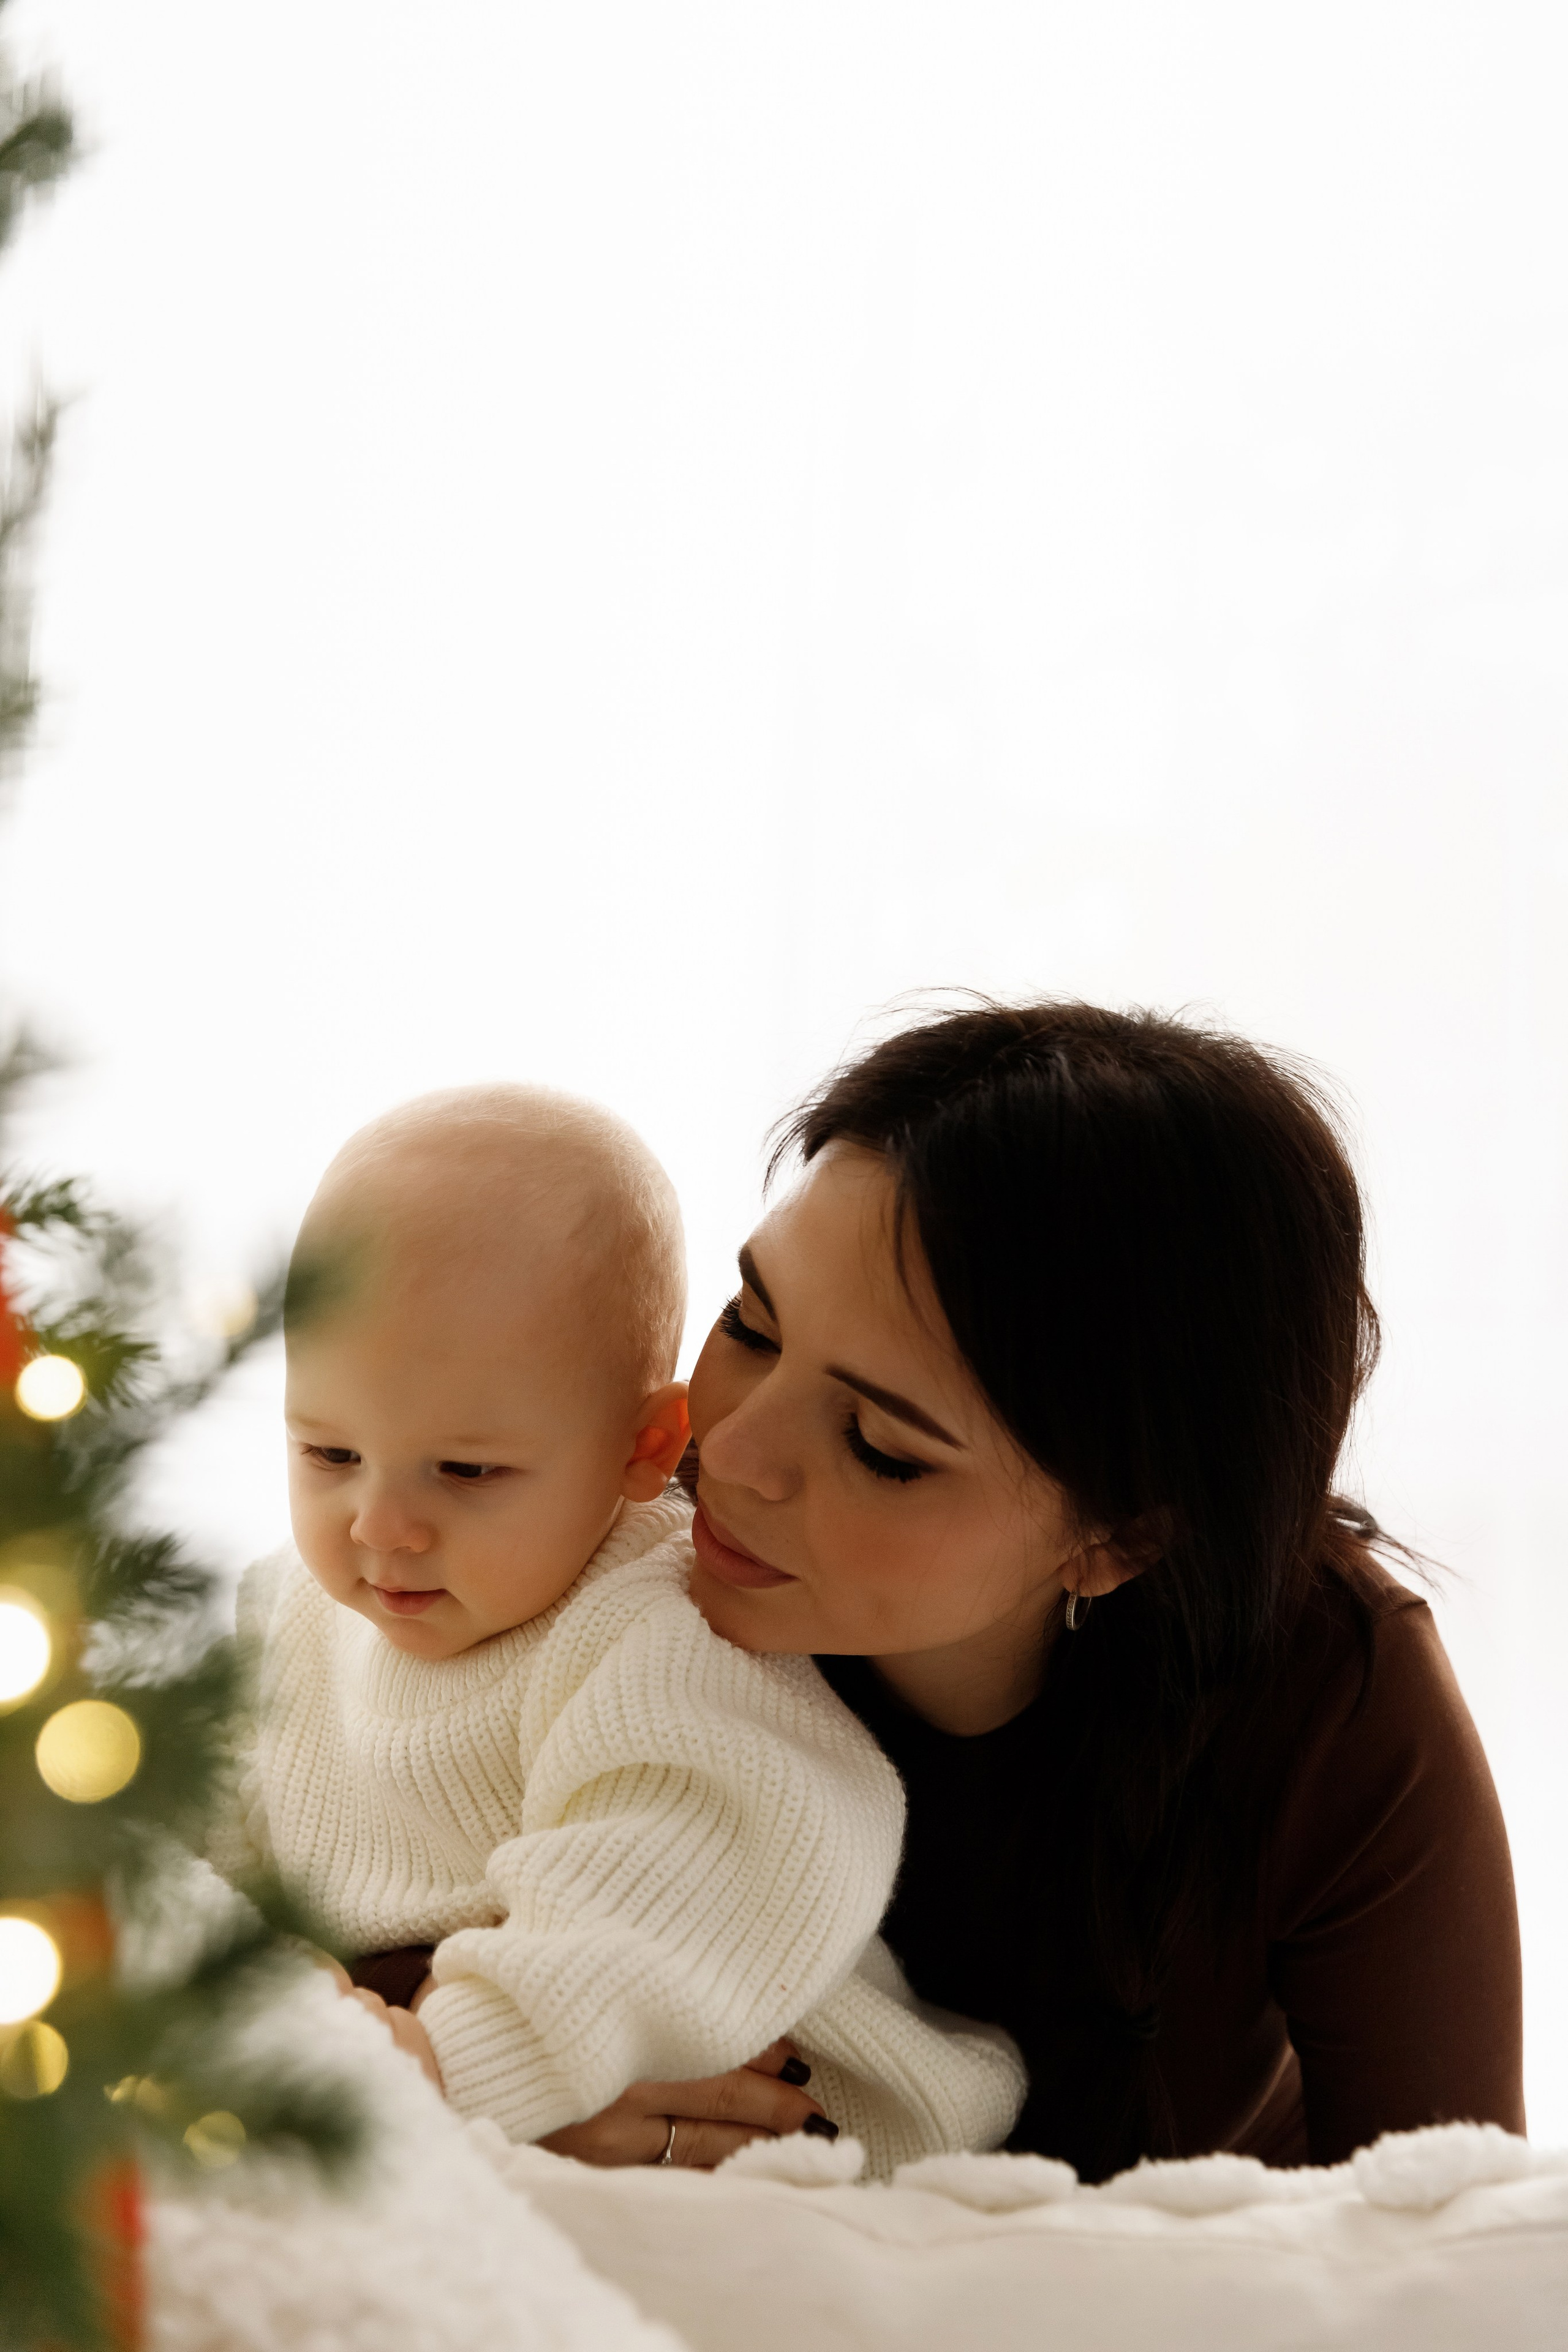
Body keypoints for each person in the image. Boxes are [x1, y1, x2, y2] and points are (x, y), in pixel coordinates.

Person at [571, 1001, 1525, 2180]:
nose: (731, 1450)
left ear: (1118, 1540)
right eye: (751, 1326)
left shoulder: (1330, 1692)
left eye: (880, 1445)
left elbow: (1452, 2222)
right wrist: (502, 2086)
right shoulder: (613, 1521)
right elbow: (367, 1925)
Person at [217, 1083, 1024, 2177]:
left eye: (467, 1471)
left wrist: (444, 2070)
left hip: (794, 2130)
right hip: (453, 2080)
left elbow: (666, 1899)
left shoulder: (657, 1632)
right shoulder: (291, 1615)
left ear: (646, 1448)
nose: (380, 1526)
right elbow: (198, 1849)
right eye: (328, 1453)